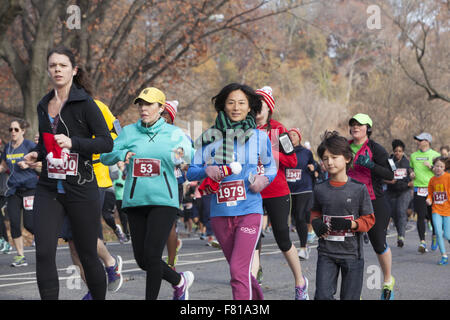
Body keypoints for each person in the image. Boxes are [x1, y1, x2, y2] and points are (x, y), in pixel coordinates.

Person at [24, 45, 113, 300]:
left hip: (81, 186)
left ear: (73, 70)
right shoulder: (44, 104)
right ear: (48, 71)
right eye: (53, 66)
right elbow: (46, 143)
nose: (57, 70)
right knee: (43, 252)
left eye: (63, 65)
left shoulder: (85, 103)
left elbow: (106, 142)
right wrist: (37, 153)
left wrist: (74, 142)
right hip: (49, 187)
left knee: (87, 253)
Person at [100, 87, 194, 300]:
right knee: (143, 260)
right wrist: (122, 153)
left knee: (152, 256)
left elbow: (190, 155)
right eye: (141, 104)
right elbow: (105, 156)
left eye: (149, 104)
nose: (144, 108)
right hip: (135, 201)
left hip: (164, 201)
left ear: (161, 108)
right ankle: (180, 281)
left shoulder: (173, 133)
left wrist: (180, 155)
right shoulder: (129, 132)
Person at [187, 82, 277, 300]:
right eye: (231, 102)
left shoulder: (260, 137)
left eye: (241, 103)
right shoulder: (210, 138)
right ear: (223, 106)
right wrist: (207, 169)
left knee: (237, 271)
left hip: (249, 211)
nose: (236, 107)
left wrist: (264, 179)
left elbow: (271, 166)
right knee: (242, 271)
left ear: (250, 107)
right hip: (220, 215)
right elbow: (191, 171)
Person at [59, 99, 124, 300]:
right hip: (66, 178)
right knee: (72, 242)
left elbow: (118, 136)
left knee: (84, 235)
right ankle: (94, 291)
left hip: (94, 176)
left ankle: (110, 262)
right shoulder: (54, 106)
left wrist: (89, 146)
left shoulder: (96, 105)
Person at [251, 86, 309, 300]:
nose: (256, 109)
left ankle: (300, 281)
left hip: (276, 191)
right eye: (253, 105)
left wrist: (269, 152)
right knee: (252, 238)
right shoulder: (244, 129)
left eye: (261, 105)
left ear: (269, 108)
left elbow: (292, 161)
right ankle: (252, 285)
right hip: (252, 192)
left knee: (282, 239)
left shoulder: (279, 130)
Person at [311, 131, 375, 300]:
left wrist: (352, 225)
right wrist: (316, 223)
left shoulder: (359, 189)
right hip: (326, 253)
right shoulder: (319, 188)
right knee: (322, 296)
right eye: (325, 158)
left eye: (334, 157)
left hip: (352, 254)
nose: (329, 162)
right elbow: (314, 212)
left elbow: (369, 219)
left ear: (347, 158)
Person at [347, 113, 395, 300]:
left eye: (359, 124)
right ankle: (354, 290)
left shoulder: (376, 149)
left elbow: (390, 175)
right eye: (352, 124)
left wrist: (371, 165)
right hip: (350, 200)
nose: (355, 127)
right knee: (351, 246)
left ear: (368, 128)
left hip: (375, 201)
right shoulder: (345, 147)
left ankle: (387, 280)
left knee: (378, 243)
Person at [0, 119, 39, 266]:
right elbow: (3, 166)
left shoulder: (29, 145)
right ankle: (20, 256)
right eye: (11, 130)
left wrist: (28, 164)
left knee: (29, 224)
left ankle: (47, 239)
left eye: (16, 129)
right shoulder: (8, 148)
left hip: (29, 188)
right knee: (14, 223)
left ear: (23, 131)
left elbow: (41, 163)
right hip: (13, 190)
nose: (13, 132)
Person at [161, 100, 184, 269]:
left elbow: (180, 159)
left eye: (164, 114)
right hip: (152, 182)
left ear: (171, 117)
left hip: (173, 182)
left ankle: (170, 264)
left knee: (169, 223)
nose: (161, 117)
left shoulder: (176, 134)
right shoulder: (148, 133)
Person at [286, 128, 315, 260]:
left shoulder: (306, 152)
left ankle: (303, 247)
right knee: (293, 218)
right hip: (288, 189)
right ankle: (294, 246)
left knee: (300, 215)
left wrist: (313, 169)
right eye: (289, 135)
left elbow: (314, 166)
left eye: (294, 135)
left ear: (299, 137)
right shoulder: (285, 152)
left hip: (304, 188)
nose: (291, 137)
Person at [410, 132, 441, 253]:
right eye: (417, 140)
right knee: (420, 216)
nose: (418, 142)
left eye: (420, 140)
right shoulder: (413, 155)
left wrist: (431, 167)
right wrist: (411, 173)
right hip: (419, 189)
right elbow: (411, 167)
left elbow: (441, 172)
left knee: (433, 216)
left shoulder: (436, 155)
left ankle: (434, 236)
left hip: (432, 189)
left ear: (427, 142)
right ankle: (422, 242)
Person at [384, 139, 412, 248]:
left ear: (403, 152)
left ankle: (401, 236)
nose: (398, 153)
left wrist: (412, 180)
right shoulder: (389, 162)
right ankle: (397, 228)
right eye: (396, 151)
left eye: (400, 151)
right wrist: (388, 181)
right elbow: (382, 176)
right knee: (392, 213)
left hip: (404, 190)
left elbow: (413, 172)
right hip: (391, 190)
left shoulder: (407, 162)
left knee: (401, 211)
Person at [426, 156, 450, 265]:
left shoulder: (448, 177)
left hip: (448, 209)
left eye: (441, 166)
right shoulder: (432, 180)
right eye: (437, 166)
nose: (439, 168)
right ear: (433, 167)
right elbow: (430, 194)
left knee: (447, 235)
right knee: (439, 232)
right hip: (436, 209)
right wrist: (429, 199)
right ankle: (444, 256)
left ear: (445, 167)